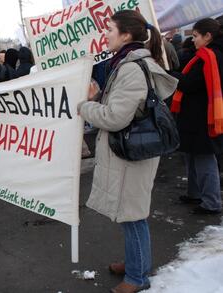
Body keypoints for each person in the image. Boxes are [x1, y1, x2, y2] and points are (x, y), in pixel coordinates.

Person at [77, 10, 178, 293]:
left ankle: (137, 278)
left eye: (110, 29)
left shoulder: (131, 67)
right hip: (130, 152)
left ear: (126, 35)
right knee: (130, 213)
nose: (105, 34)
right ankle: (136, 262)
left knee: (132, 216)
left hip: (132, 153)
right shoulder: (125, 63)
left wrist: (85, 105)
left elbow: (114, 118)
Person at [171, 18, 223, 215]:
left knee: (203, 157)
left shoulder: (210, 57)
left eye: (195, 36)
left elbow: (191, 84)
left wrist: (171, 75)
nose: (192, 40)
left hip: (202, 116)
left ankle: (211, 202)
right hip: (197, 115)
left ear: (208, 36)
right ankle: (195, 193)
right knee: (192, 155)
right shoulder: (207, 55)